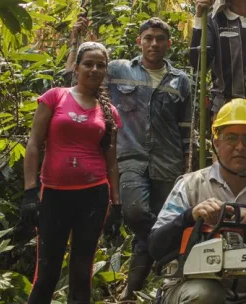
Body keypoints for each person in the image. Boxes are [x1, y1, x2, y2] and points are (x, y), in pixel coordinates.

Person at [64, 17, 194, 298]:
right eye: (148, 38)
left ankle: (132, 291)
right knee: (135, 213)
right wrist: (75, 41)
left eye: (160, 38)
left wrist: (187, 165)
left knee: (161, 220)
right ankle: (169, 252)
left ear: (169, 44)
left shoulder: (181, 81)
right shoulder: (117, 70)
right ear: (139, 41)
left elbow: (186, 127)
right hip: (129, 156)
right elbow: (76, 78)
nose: (154, 43)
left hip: (168, 162)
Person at [149, 99, 246, 304]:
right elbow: (155, 246)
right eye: (231, 138)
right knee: (205, 293)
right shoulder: (190, 185)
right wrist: (189, 217)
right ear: (217, 143)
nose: (240, 147)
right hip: (189, 289)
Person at [21, 42, 123, 303]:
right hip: (54, 195)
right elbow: (34, 144)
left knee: (81, 271)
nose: (94, 69)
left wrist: (117, 203)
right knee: (47, 271)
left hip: (93, 196)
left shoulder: (109, 112)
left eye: (100, 65)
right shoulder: (55, 97)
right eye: (88, 63)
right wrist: (30, 192)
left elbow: (111, 160)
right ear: (76, 67)